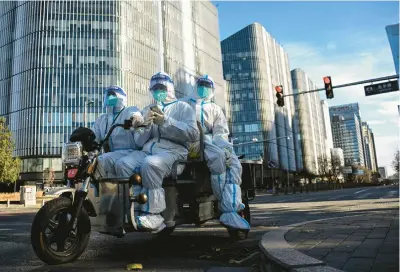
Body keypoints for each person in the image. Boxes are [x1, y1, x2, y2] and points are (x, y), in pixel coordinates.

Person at [115, 72, 199, 232]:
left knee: (150, 164)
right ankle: (135, 209)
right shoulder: (148, 110)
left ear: (169, 88)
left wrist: (166, 122)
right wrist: (143, 126)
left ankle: (155, 215)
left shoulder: (182, 107)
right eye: (154, 88)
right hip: (148, 151)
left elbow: (192, 134)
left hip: (174, 153)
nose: (157, 91)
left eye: (161, 88)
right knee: (123, 164)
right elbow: (139, 142)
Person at [187, 75, 250, 231]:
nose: (203, 88)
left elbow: (220, 134)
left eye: (206, 86)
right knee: (218, 157)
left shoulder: (215, 109)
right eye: (201, 85)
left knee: (232, 163)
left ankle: (231, 208)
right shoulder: (186, 105)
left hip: (209, 142)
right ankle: (226, 206)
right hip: (190, 142)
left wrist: (227, 149)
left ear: (212, 90)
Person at [91, 85, 143, 179]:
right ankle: (104, 191)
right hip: (111, 154)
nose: (110, 97)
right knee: (94, 165)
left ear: (121, 97)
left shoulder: (128, 110)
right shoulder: (102, 119)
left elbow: (135, 114)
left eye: (113, 95)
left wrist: (136, 118)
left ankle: (124, 191)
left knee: (104, 160)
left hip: (130, 152)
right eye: (108, 95)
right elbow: (94, 136)